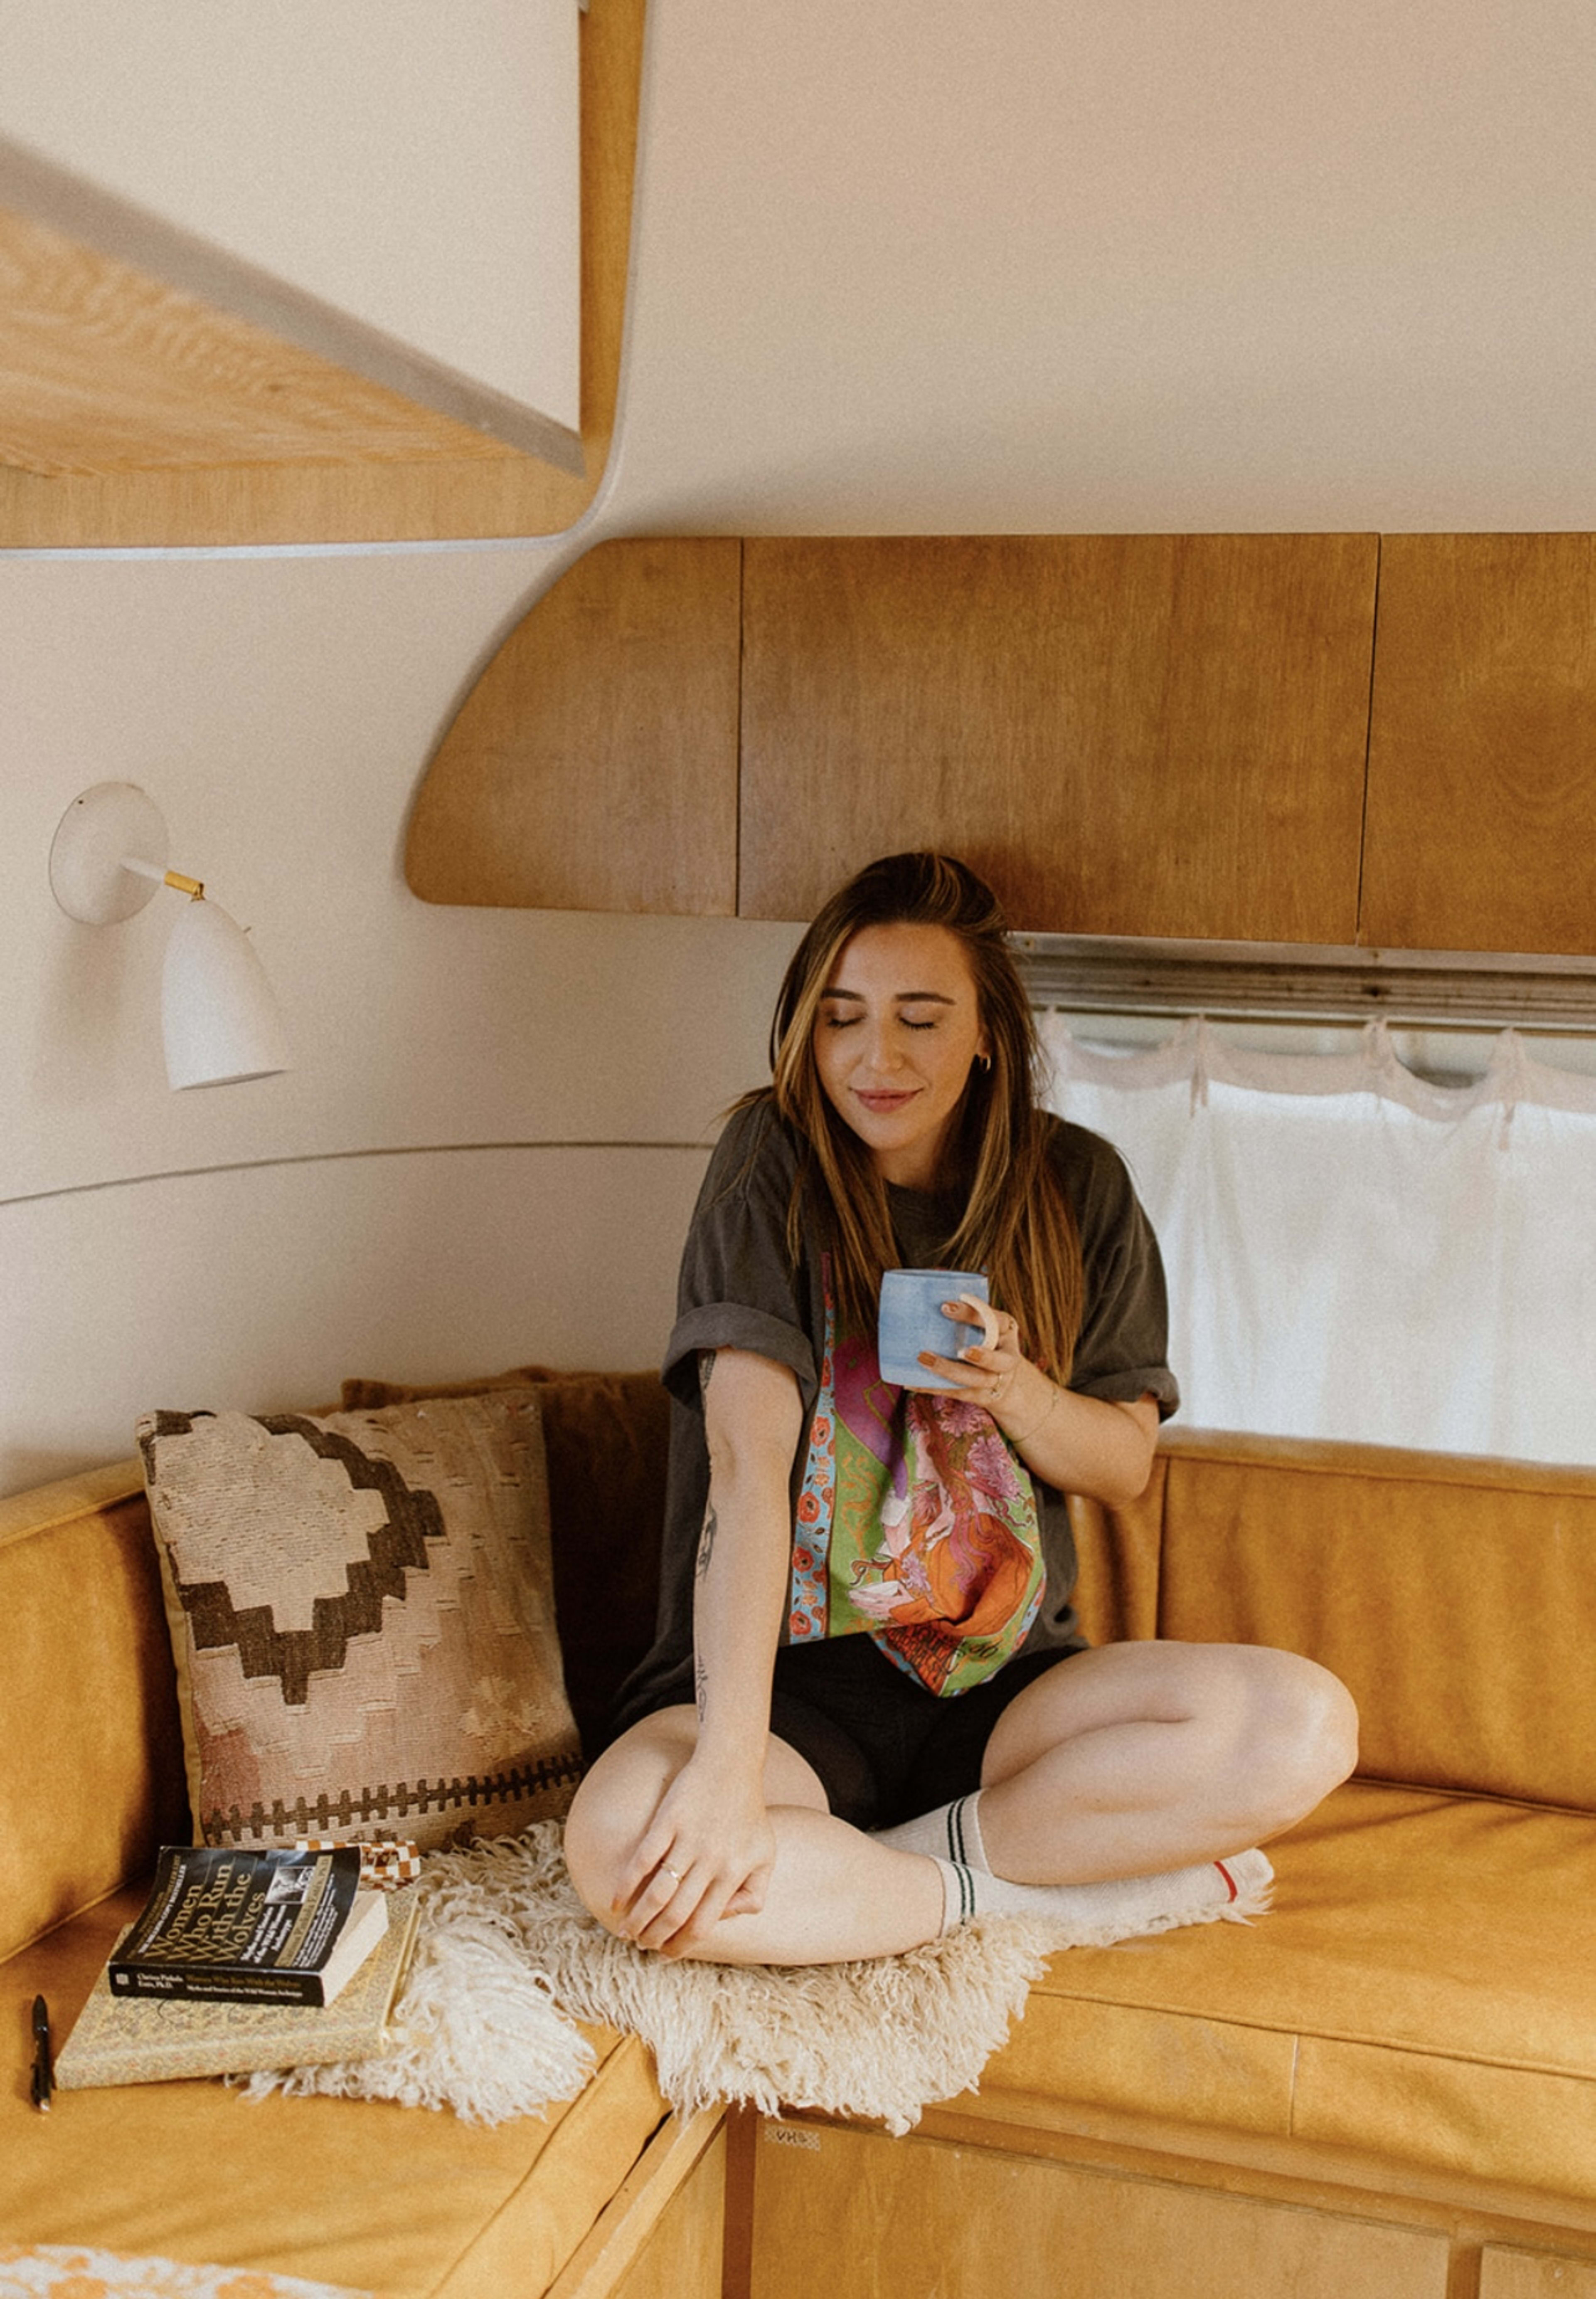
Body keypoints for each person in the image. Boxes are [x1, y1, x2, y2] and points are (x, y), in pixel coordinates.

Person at [564, 852, 1357, 1964]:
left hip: (1005, 1689)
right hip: (791, 1690)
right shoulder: (770, 1166)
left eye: (920, 1019)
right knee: (621, 1849)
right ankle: (1035, 1893)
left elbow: (1123, 1462)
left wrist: (1018, 1391)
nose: (874, 1058)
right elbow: (747, 1470)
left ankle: (876, 1878)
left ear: (988, 1030)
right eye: (841, 1017)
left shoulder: (1079, 1185)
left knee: (1305, 1723)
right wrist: (728, 1775)